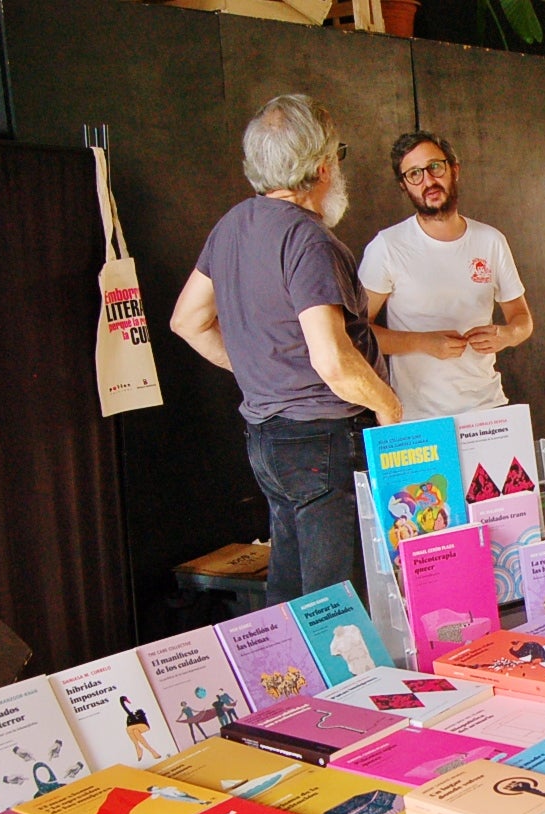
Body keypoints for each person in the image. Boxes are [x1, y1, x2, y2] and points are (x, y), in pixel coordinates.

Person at [171, 94, 401, 605]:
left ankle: (292, 663)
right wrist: (390, 409)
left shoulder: (232, 225)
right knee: (336, 601)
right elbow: (332, 360)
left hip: (267, 438)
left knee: (293, 590)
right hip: (324, 440)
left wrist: (261, 372)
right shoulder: (310, 241)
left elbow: (187, 321)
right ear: (322, 168)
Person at [358, 131, 533, 421]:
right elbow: (358, 332)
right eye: (414, 174)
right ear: (404, 185)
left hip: (487, 408)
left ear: (454, 170)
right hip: (417, 416)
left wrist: (507, 335)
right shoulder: (387, 246)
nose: (428, 181)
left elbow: (522, 319)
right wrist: (423, 342)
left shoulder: (491, 240)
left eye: (435, 167)